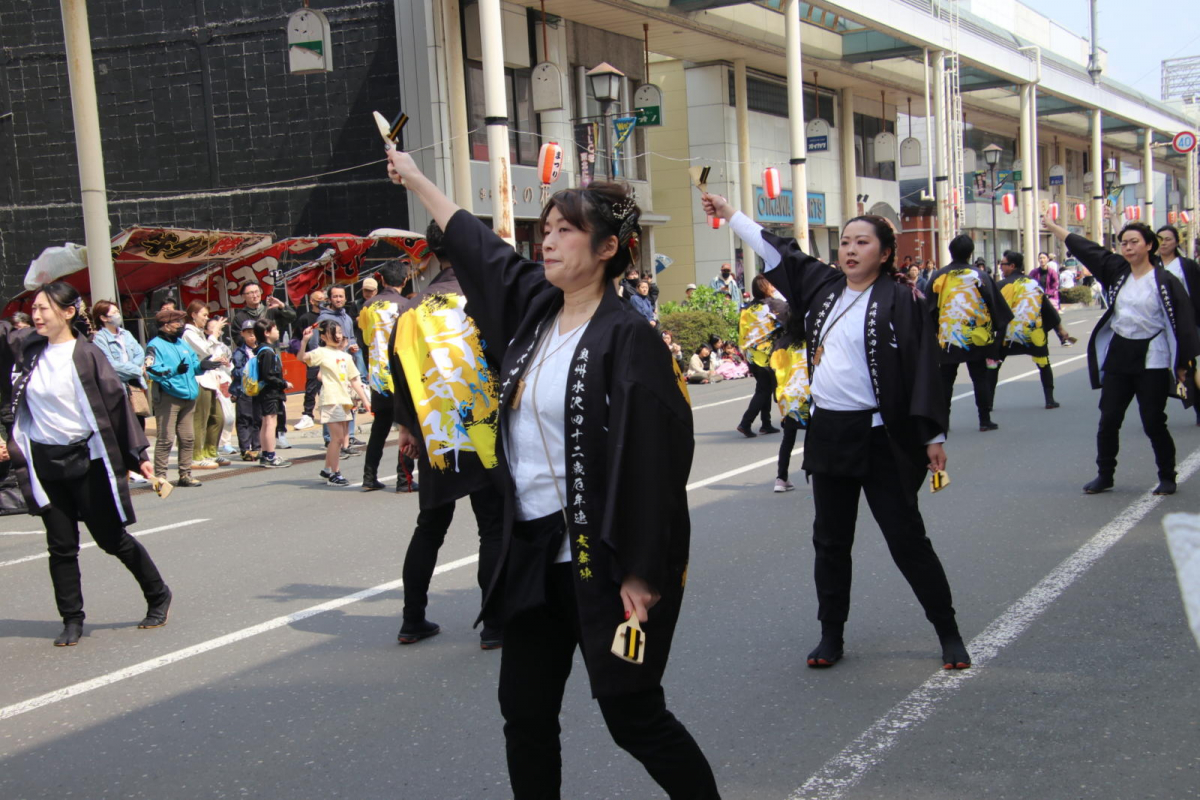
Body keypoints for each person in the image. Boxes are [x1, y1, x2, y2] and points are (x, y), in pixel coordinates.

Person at [388, 149, 720, 799]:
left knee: (633, 718)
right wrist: (417, 178)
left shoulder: (630, 339)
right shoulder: (536, 311)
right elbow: (481, 249)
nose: (550, 239)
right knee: (526, 717)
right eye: (547, 228)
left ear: (607, 249)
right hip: (534, 554)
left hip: (600, 559)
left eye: (566, 229)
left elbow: (657, 465)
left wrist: (642, 571)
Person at [706, 190, 970, 672]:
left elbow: (924, 369)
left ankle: (947, 631)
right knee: (830, 541)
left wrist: (933, 435)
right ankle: (831, 634)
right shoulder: (824, 288)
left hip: (882, 437)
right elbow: (779, 250)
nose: (850, 250)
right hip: (829, 433)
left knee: (906, 538)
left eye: (862, 242)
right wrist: (731, 215)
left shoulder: (903, 299)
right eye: (845, 241)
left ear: (885, 253)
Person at [1, 282, 170, 646]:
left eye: (45, 308)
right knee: (61, 546)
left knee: (112, 540)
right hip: (45, 461)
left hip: (87, 460)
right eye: (34, 308)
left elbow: (117, 407)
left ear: (68, 312)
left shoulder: (87, 354)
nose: (36, 314)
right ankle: (72, 619)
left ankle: (158, 594)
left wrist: (137, 455)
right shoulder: (27, 347)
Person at [387, 220, 506, 649]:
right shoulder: (484, 298)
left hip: (435, 432)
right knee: (492, 527)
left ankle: (411, 619)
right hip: (486, 428)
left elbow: (399, 373)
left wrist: (406, 426)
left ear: (432, 254)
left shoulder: (412, 309)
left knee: (429, 526)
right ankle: (494, 624)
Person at [1043, 214, 1200, 495]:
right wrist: (1055, 228)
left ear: (1149, 245)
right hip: (1120, 353)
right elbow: (1088, 249)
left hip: (1152, 355)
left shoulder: (1165, 280)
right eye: (1123, 243)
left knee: (1153, 420)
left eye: (1134, 242)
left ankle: (1167, 475)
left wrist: (1184, 363)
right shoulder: (1117, 271)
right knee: (1109, 418)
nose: (1127, 248)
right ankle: (1105, 474)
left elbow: (1185, 324)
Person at [925, 234, 1012, 432]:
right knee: (979, 378)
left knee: (946, 380)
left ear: (950, 251)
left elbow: (929, 308)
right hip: (977, 336)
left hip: (947, 336)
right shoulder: (979, 276)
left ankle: (943, 424)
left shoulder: (939, 276)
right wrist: (996, 334)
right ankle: (984, 420)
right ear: (970, 253)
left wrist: (932, 333)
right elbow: (995, 305)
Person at [357, 262, 418, 492]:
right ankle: (404, 479)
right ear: (404, 281)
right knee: (407, 425)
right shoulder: (407, 306)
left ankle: (369, 477)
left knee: (379, 427)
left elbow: (365, 339)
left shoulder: (367, 306)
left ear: (381, 280)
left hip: (378, 376)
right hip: (401, 374)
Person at [146, 308, 219, 487]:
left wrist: (203, 365)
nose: (181, 325)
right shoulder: (155, 345)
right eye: (177, 322)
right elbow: (150, 368)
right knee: (166, 438)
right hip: (168, 396)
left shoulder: (181, 344)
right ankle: (161, 478)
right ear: (165, 326)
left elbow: (193, 364)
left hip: (189, 395)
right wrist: (173, 371)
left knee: (188, 438)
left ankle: (185, 474)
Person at [301, 321, 371, 486]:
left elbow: (355, 380)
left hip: (344, 399)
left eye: (340, 332)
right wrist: (304, 341)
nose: (339, 336)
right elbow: (302, 358)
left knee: (338, 439)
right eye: (335, 332)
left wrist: (366, 401)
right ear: (324, 336)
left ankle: (327, 470)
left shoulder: (346, 356)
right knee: (337, 439)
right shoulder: (322, 352)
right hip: (331, 399)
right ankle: (335, 474)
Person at [91, 300, 151, 485]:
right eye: (113, 312)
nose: (118, 315)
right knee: (122, 429)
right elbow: (109, 364)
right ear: (103, 317)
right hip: (118, 386)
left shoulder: (126, 334)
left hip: (133, 386)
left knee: (138, 426)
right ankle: (127, 467)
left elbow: (139, 353)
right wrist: (135, 369)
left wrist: (134, 368)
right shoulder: (99, 338)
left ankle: (138, 464)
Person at [994, 251, 1061, 409]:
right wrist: (1060, 329)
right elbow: (1046, 308)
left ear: (1012, 266)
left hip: (1008, 334)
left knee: (993, 365)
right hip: (1033, 333)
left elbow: (993, 310)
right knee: (1044, 364)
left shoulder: (1001, 286)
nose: (1001, 268)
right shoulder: (1033, 283)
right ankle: (1050, 399)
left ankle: (988, 404)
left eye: (1003, 264)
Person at [233, 283, 295, 449]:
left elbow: (291, 316)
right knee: (260, 403)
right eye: (250, 293)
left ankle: (281, 433)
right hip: (254, 361)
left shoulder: (271, 309)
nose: (254, 295)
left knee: (278, 398)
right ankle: (261, 442)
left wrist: (281, 305)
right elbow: (238, 338)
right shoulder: (240, 316)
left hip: (273, 357)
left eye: (256, 291)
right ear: (243, 296)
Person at [1157, 224, 1200, 425]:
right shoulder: (1151, 265)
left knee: (1189, 367)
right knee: (1156, 370)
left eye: (1168, 239)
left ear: (1176, 242)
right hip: (1159, 326)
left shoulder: (1187, 265)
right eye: (1160, 239)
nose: (1164, 243)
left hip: (1186, 324)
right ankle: (1155, 412)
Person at [182, 302, 230, 470]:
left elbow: (213, 354)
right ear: (193, 315)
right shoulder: (188, 333)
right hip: (199, 379)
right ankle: (196, 455)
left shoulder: (199, 333)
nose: (206, 318)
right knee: (200, 419)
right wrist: (214, 334)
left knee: (217, 417)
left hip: (210, 380)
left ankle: (211, 451)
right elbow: (205, 351)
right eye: (203, 315)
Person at [736, 273, 785, 437]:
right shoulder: (775, 306)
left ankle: (766, 423)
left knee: (764, 388)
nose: (774, 287)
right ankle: (746, 422)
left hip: (751, 355)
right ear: (766, 287)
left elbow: (741, 332)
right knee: (764, 390)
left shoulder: (746, 309)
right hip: (768, 355)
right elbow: (791, 323)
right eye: (771, 285)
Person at [769, 309, 811, 493]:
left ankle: (781, 478)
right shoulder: (811, 341)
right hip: (808, 394)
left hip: (787, 397)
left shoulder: (781, 343)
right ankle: (813, 474)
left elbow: (774, 372)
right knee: (813, 435)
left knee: (788, 438)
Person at [252, 319, 292, 468]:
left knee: (266, 422)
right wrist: (284, 383)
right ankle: (270, 456)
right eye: (275, 329)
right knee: (270, 422)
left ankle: (265, 454)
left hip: (264, 392)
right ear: (267, 333)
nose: (278, 331)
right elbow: (269, 375)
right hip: (270, 393)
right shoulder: (267, 352)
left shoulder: (261, 350)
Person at [294, 288, 328, 431]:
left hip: (329, 355)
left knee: (328, 386)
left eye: (323, 300)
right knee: (311, 387)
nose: (321, 302)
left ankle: (326, 413)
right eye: (318, 300)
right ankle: (308, 415)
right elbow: (295, 339)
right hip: (313, 357)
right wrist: (302, 353)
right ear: (312, 301)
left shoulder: (329, 317)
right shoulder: (305, 318)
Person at [230, 320, 262, 460]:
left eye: (254, 333)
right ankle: (245, 449)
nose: (252, 337)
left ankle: (257, 447)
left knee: (258, 419)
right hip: (244, 390)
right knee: (244, 419)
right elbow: (236, 372)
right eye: (248, 333)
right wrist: (250, 372)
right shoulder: (239, 352)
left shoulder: (262, 349)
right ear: (243, 334)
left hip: (259, 390)